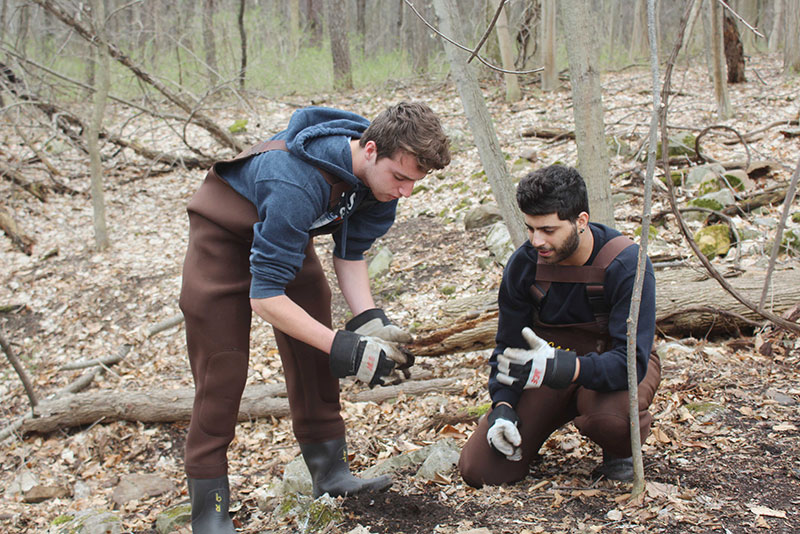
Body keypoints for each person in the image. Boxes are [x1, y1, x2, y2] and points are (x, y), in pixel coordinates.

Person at [178, 102, 451, 533]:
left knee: (313, 349)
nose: (406, 192)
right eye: (400, 178)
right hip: (223, 237)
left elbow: (351, 251)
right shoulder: (293, 179)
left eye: (415, 182)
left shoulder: (381, 182)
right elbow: (265, 298)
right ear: (370, 150)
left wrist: (369, 321)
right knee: (223, 370)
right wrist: (345, 347)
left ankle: (332, 474)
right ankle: (209, 512)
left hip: (286, 236)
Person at [458, 165, 661, 487]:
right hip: (546, 371)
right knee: (480, 470)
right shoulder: (524, 265)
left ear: (580, 221)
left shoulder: (627, 264)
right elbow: (508, 347)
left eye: (549, 230)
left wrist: (567, 366)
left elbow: (631, 363)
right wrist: (503, 406)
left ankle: (619, 450)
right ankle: (531, 430)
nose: (537, 240)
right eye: (531, 229)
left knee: (610, 421)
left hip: (611, 368)